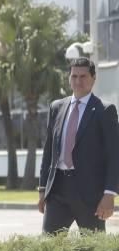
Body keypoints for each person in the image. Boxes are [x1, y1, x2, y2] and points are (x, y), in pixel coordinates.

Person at [38, 57, 119, 232]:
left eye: (83, 76)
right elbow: (49, 152)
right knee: (49, 249)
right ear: (69, 78)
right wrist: (43, 188)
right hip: (58, 190)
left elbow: (114, 155)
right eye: (74, 76)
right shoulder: (56, 107)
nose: (78, 81)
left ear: (93, 78)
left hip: (91, 195)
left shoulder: (105, 110)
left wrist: (109, 194)